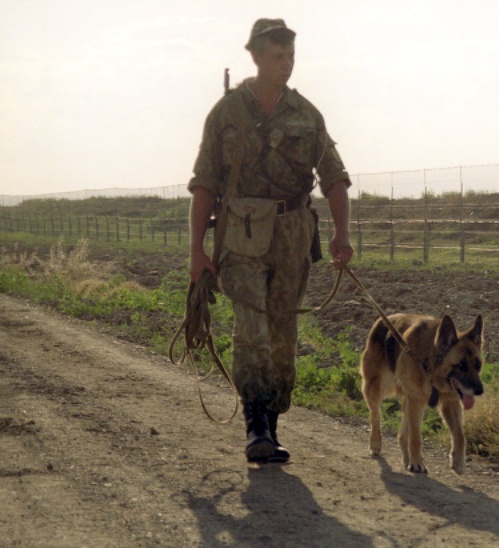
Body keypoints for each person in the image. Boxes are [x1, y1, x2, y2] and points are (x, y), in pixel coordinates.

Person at [187, 18, 353, 463]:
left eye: (291, 57)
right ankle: (256, 425)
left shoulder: (307, 114)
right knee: (252, 329)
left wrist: (341, 233)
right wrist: (197, 251)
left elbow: (335, 178)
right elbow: (204, 184)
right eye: (278, 57)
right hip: (241, 235)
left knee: (283, 334)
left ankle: (272, 423)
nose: (286, 64)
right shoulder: (226, 114)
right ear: (256, 56)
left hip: (293, 237)